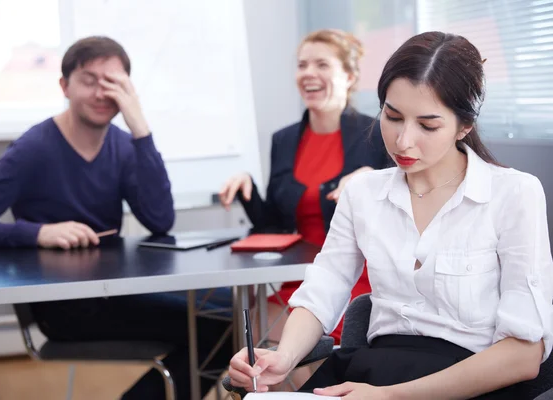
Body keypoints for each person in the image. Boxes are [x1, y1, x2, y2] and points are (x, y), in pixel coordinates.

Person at [228, 31, 553, 400]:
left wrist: (393, 397)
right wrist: (284, 357)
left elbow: (525, 355)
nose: (402, 141)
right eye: (392, 116)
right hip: (370, 375)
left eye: (427, 126)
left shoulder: (513, 193)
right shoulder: (363, 194)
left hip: (469, 383)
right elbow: (324, 289)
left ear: (464, 126)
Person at [0, 36, 231, 399]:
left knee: (227, 308)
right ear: (64, 86)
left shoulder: (123, 144)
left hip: (116, 291)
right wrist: (38, 233)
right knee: (220, 328)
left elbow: (159, 219)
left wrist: (140, 128)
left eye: (113, 82)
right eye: (90, 80)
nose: (102, 92)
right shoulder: (33, 148)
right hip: (67, 307)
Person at [219, 29, 391, 387]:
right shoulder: (284, 140)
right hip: (298, 276)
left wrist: (372, 178)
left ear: (349, 76)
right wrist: (248, 191)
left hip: (353, 276)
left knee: (303, 362)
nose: (308, 73)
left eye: (321, 64)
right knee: (244, 347)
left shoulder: (378, 134)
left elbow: (402, 207)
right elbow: (275, 225)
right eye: (302, 65)